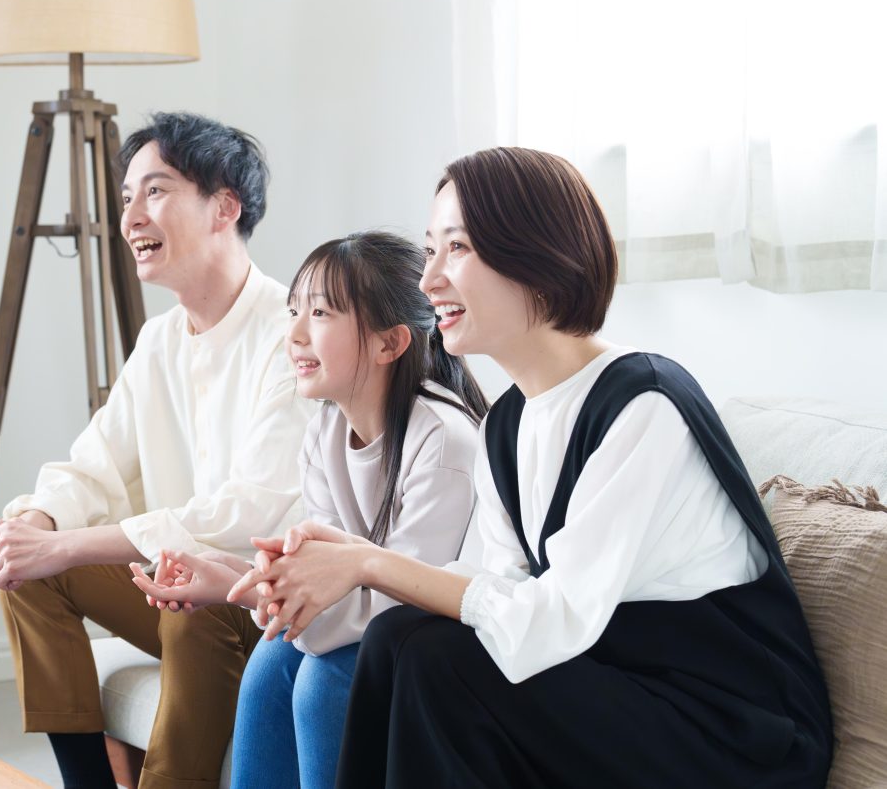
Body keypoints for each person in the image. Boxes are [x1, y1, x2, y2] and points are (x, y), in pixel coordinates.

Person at [229, 147, 832, 788]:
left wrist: (368, 563)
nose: (429, 280)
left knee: (436, 657)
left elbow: (551, 619)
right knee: (400, 639)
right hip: (613, 688)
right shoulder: (508, 423)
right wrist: (341, 562)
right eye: (430, 250)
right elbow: (496, 584)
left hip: (730, 730)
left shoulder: (644, 404)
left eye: (456, 248)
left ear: (536, 258)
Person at [0, 112, 316, 789]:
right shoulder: (160, 340)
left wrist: (68, 546)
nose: (131, 216)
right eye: (127, 195)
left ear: (224, 207)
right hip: (171, 581)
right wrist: (37, 526)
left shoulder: (293, 334)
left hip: (258, 598)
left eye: (155, 191)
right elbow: (93, 464)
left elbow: (248, 513)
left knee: (192, 609)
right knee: (21, 552)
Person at [130, 230, 487, 789]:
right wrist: (232, 575)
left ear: (390, 343)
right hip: (380, 627)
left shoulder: (443, 440)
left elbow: (402, 604)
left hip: (437, 643)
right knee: (272, 662)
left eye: (319, 313)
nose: (294, 333)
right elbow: (323, 582)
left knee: (324, 679)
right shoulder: (324, 429)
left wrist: (253, 593)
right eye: (294, 310)